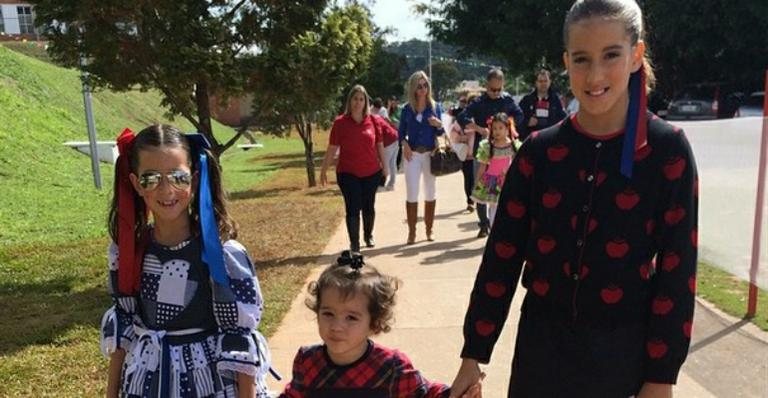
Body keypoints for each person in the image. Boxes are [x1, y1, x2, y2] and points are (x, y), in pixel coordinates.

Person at [449, 1, 699, 397]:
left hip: (623, 358)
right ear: (566, 61)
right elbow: (502, 255)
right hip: (542, 354)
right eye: (582, 59)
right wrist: (473, 354)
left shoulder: (667, 151)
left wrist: (661, 377)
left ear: (636, 55)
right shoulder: (537, 153)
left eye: (611, 55)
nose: (595, 74)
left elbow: (677, 270)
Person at [101, 125, 273, 398]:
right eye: (151, 178)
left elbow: (240, 339)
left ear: (194, 179)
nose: (167, 189)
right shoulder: (128, 253)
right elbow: (123, 329)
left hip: (209, 384)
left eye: (178, 177)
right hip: (146, 384)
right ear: (135, 184)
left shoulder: (223, 255)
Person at [279, 251, 482, 398]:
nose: (336, 326)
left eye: (351, 317)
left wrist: (461, 394)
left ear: (374, 323)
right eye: (328, 313)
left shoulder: (391, 367)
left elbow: (427, 394)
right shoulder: (308, 361)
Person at [457, 68, 524, 238]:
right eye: (493, 89)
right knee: (480, 185)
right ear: (486, 86)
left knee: (504, 188)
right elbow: (462, 116)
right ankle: (483, 224)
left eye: (499, 89)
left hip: (504, 150)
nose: (496, 93)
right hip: (484, 149)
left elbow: (520, 115)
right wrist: (478, 128)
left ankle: (500, 223)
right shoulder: (479, 102)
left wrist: (507, 128)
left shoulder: (507, 100)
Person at [320, 85, 387, 251]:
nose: (358, 102)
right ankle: (355, 243)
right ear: (349, 101)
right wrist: (323, 170)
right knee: (352, 206)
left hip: (371, 172)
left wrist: (385, 167)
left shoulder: (373, 121)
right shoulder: (340, 123)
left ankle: (368, 234)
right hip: (348, 173)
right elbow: (332, 148)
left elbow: (379, 145)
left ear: (366, 102)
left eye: (361, 99)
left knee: (368, 205)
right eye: (355, 99)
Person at [399, 71, 445, 244]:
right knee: (412, 192)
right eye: (419, 86)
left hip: (430, 154)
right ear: (413, 88)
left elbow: (441, 131)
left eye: (425, 85)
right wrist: (404, 145)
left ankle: (429, 229)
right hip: (413, 154)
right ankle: (412, 232)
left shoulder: (435, 107)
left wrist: (439, 124)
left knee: (430, 191)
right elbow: (401, 133)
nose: (423, 89)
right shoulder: (407, 109)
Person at [470, 112, 521, 227]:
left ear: (507, 128)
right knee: (493, 207)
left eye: (500, 128)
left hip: (508, 181)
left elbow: (518, 165)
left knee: (508, 207)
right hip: (492, 182)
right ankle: (493, 231)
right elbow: (482, 167)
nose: (497, 131)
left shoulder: (514, 146)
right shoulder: (488, 146)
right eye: (494, 128)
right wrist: (477, 182)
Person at [518, 69, 568, 140]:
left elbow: (563, 120)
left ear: (550, 82)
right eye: (540, 81)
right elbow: (517, 119)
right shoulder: (527, 100)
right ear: (536, 83)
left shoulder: (556, 100)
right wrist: (527, 122)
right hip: (532, 141)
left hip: (551, 140)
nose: (543, 84)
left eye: (545, 81)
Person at [449, 95, 476, 213]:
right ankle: (470, 201)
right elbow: (452, 133)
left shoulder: (483, 117)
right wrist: (461, 137)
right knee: (468, 178)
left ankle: (477, 201)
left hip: (481, 154)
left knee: (477, 178)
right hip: (466, 154)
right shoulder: (462, 118)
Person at [373, 113, 400, 191]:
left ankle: (381, 185)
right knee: (392, 163)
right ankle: (391, 184)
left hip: (389, 141)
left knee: (385, 163)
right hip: (395, 137)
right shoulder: (377, 116)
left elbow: (379, 135)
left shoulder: (373, 121)